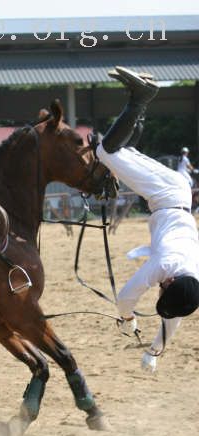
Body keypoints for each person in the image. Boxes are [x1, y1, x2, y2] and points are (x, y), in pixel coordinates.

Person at [95, 66, 199, 373]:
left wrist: (154, 352)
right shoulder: (165, 267)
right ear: (169, 285)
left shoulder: (191, 278)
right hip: (166, 196)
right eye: (162, 290)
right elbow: (126, 297)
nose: (160, 288)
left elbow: (174, 319)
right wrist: (128, 319)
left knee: (122, 150)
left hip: (172, 196)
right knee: (106, 152)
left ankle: (138, 94)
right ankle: (141, 98)